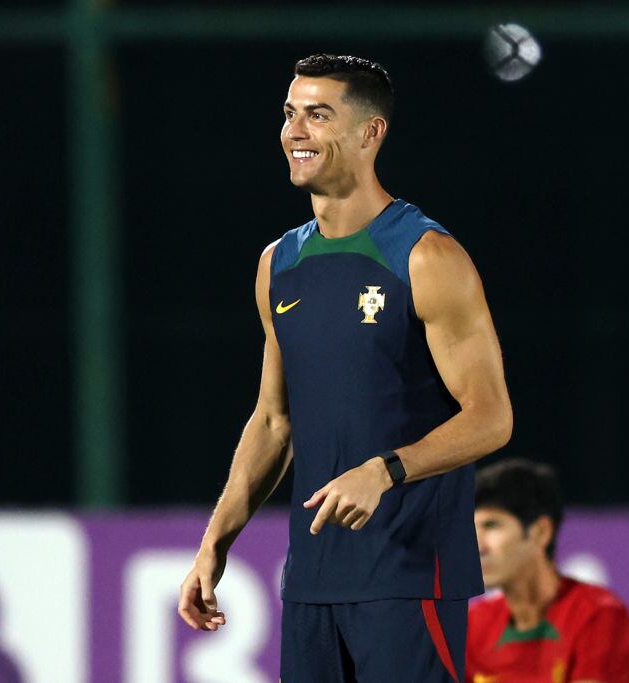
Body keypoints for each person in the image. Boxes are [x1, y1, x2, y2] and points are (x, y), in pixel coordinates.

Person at [178, 53, 512, 682]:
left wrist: (386, 471)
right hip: (311, 581)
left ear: (370, 133)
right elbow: (274, 420)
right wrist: (213, 545)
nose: (293, 131)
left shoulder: (425, 256)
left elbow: (492, 417)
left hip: (409, 576)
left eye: (317, 115)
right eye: (289, 114)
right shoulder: (278, 263)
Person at [466, 459, 629, 683]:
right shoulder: (474, 627)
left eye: (491, 526)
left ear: (540, 532)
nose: (478, 545)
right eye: (471, 528)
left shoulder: (599, 617)